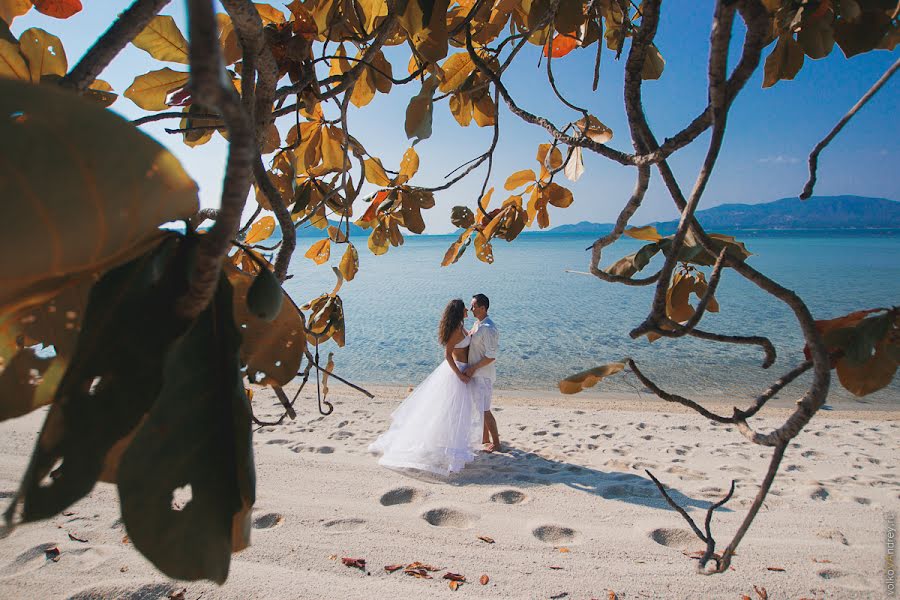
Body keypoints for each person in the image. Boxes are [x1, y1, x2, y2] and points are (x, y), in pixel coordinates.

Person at [368, 299, 483, 476]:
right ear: (459, 312)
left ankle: (453, 444)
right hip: (456, 372)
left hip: (463, 371)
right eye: (465, 308)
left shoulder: (461, 327)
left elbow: (469, 341)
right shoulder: (454, 330)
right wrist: (460, 374)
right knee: (450, 411)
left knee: (457, 412)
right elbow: (448, 355)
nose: (467, 309)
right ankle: (450, 448)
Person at [464, 293, 500, 452]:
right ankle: (485, 439)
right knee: (481, 408)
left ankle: (497, 443)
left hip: (483, 375)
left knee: (485, 410)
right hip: (477, 375)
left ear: (483, 308)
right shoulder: (478, 324)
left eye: (473, 306)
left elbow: (491, 357)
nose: (471, 309)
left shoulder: (489, 328)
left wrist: (472, 368)